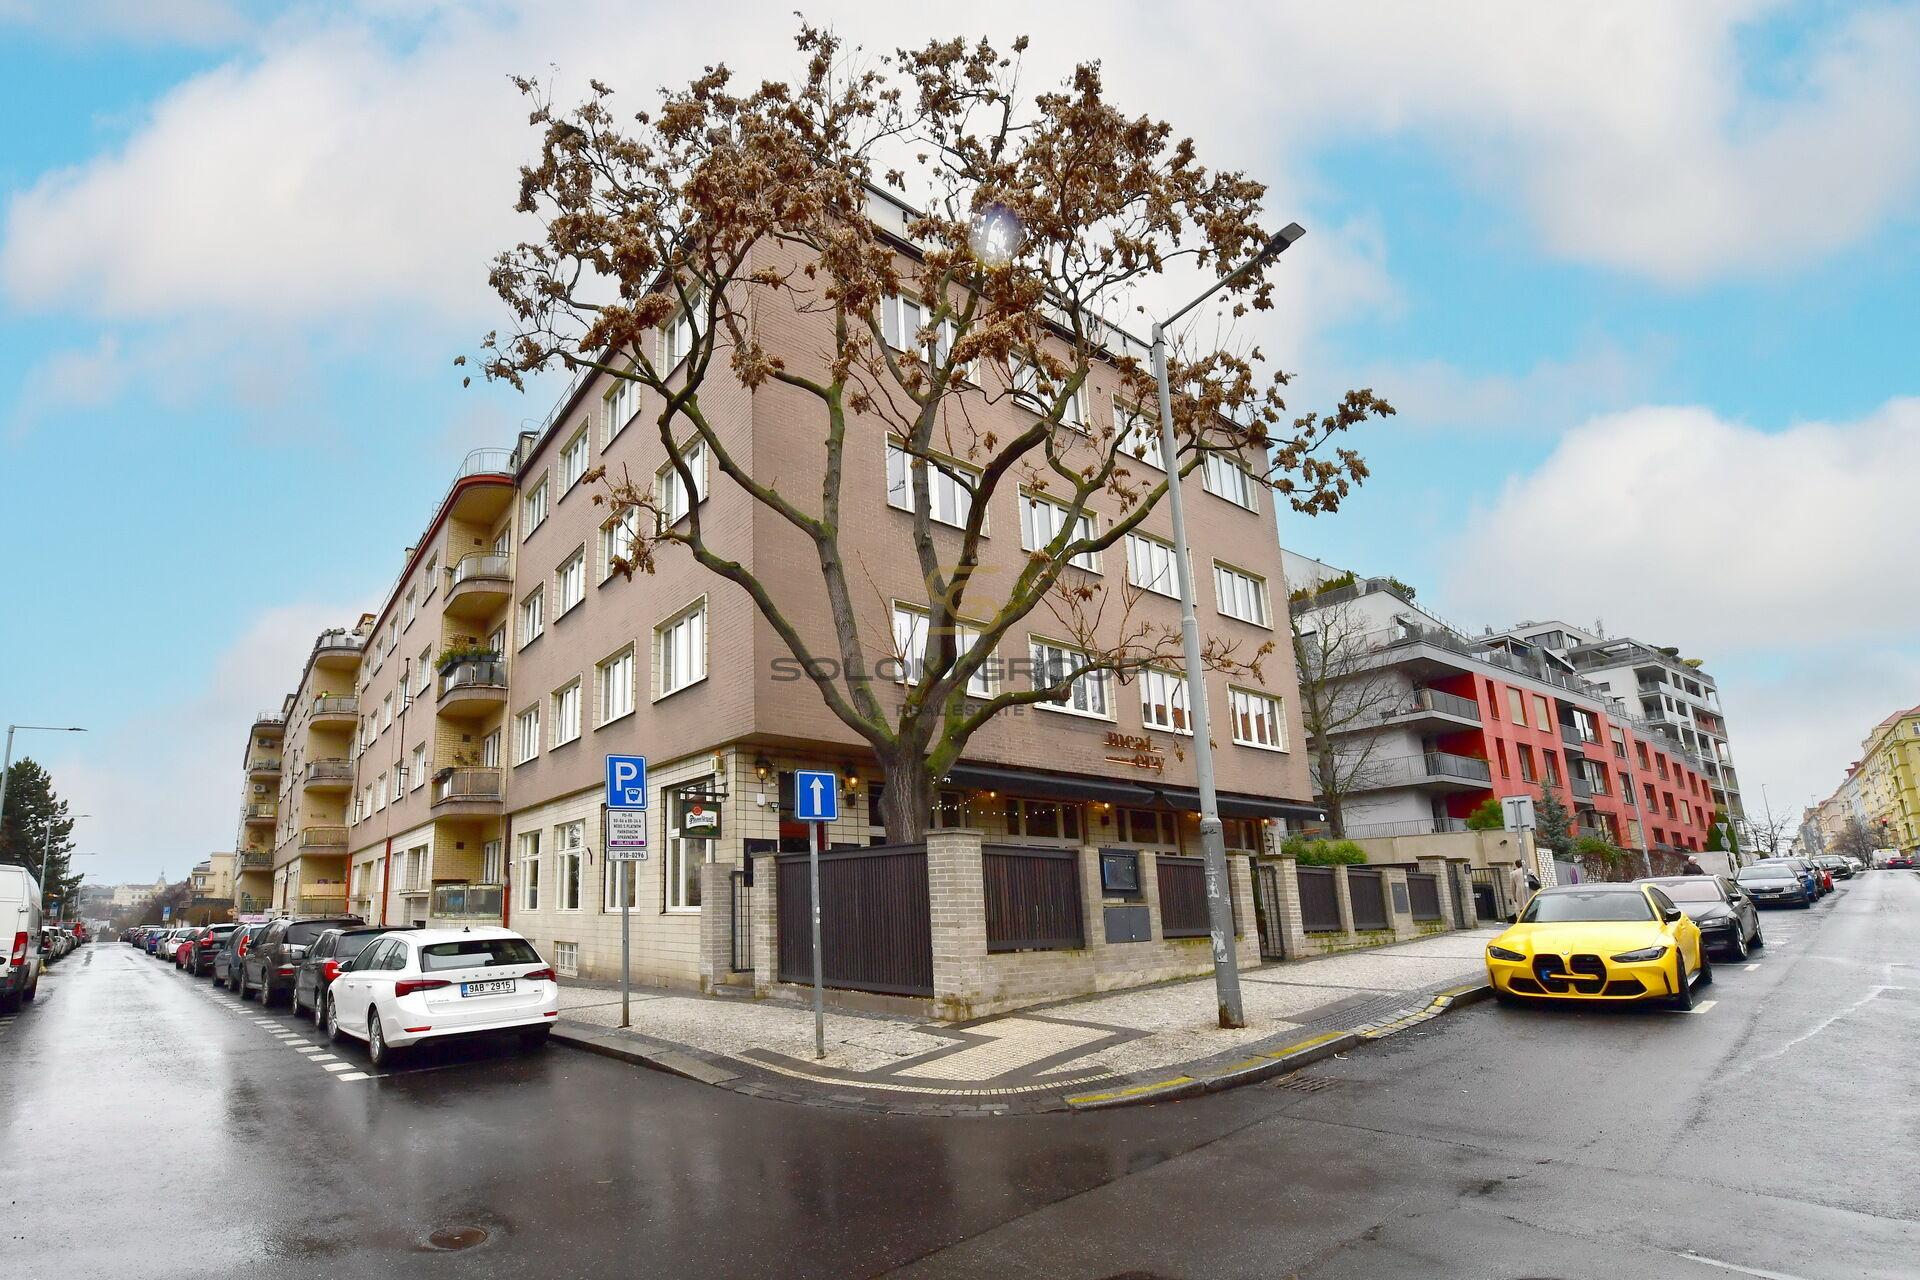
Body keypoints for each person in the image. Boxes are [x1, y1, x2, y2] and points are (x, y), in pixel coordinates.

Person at [1507, 858, 1539, 922]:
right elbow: (1536, 880)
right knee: (1532, 905)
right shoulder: (1529, 871)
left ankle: (1524, 919)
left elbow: (1512, 886)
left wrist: (1514, 896)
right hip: (1531, 890)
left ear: (1516, 865)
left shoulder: (1513, 873)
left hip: (1519, 891)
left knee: (1522, 907)